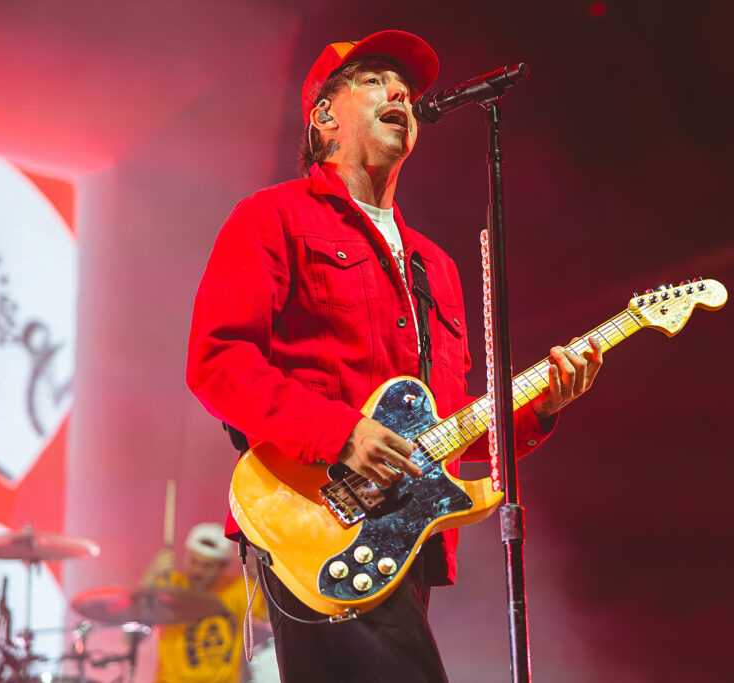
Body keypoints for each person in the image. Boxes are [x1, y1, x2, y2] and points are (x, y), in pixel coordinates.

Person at [185, 30, 603, 682]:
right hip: (313, 517)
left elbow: (447, 423)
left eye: (405, 89)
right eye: (375, 80)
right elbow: (219, 362)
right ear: (325, 115)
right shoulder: (273, 217)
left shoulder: (435, 265)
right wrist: (341, 434)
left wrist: (538, 408)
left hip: (408, 537)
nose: (401, 95)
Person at [142, 522, 267, 683]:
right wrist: (150, 576)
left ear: (223, 566)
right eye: (193, 561)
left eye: (206, 566)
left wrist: (260, 576)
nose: (197, 571)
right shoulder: (170, 585)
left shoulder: (238, 588)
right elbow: (131, 634)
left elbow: (268, 618)